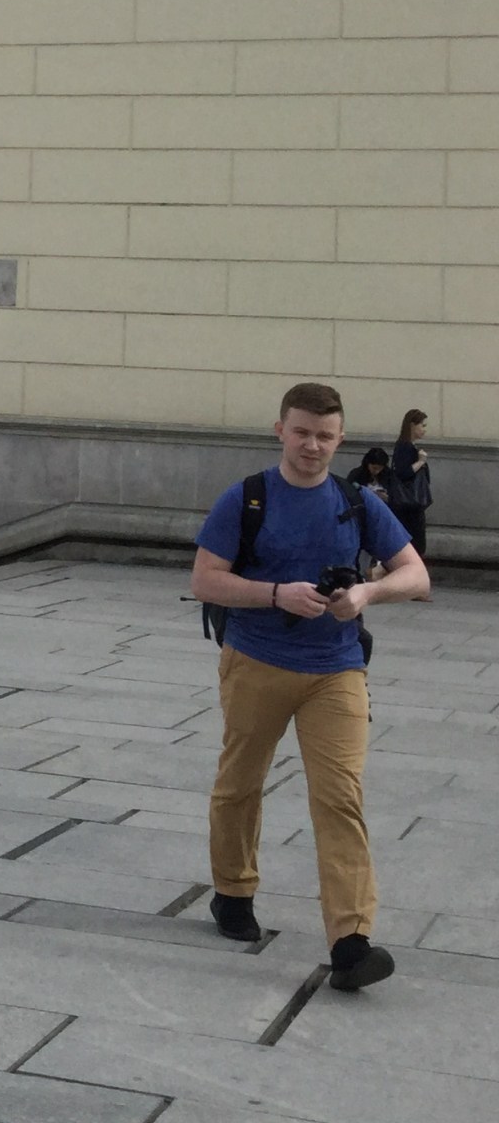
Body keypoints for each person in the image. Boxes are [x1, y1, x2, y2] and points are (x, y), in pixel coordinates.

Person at [191, 380, 429, 992]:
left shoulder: (356, 500)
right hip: (256, 661)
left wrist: (366, 593)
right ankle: (233, 891)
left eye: (325, 436)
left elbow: (416, 575)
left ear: (340, 438)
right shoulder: (246, 497)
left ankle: (351, 942)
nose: (312, 445)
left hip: (336, 669)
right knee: (240, 783)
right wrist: (276, 593)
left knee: (340, 796)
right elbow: (206, 579)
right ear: (281, 430)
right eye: (301, 432)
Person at [390, 408, 433, 560]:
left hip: (409, 504)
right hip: (409, 504)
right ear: (412, 425)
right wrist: (421, 462)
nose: (424, 430)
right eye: (422, 425)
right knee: (416, 543)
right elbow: (403, 473)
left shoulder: (408, 446)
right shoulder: (405, 447)